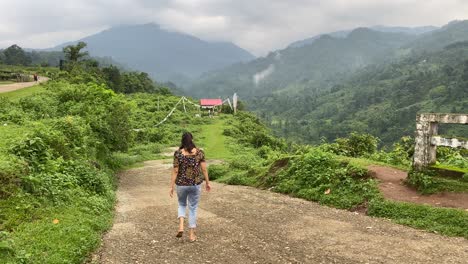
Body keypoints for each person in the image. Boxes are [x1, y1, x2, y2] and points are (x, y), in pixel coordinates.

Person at [170, 132, 211, 242]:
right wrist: (207, 182)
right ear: (192, 139)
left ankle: (181, 226)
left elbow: (175, 170)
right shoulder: (199, 153)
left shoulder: (178, 154)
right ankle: (192, 235)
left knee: (182, 204)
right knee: (192, 208)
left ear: (182, 141)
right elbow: (204, 169)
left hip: (181, 185)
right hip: (195, 184)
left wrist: (171, 186)